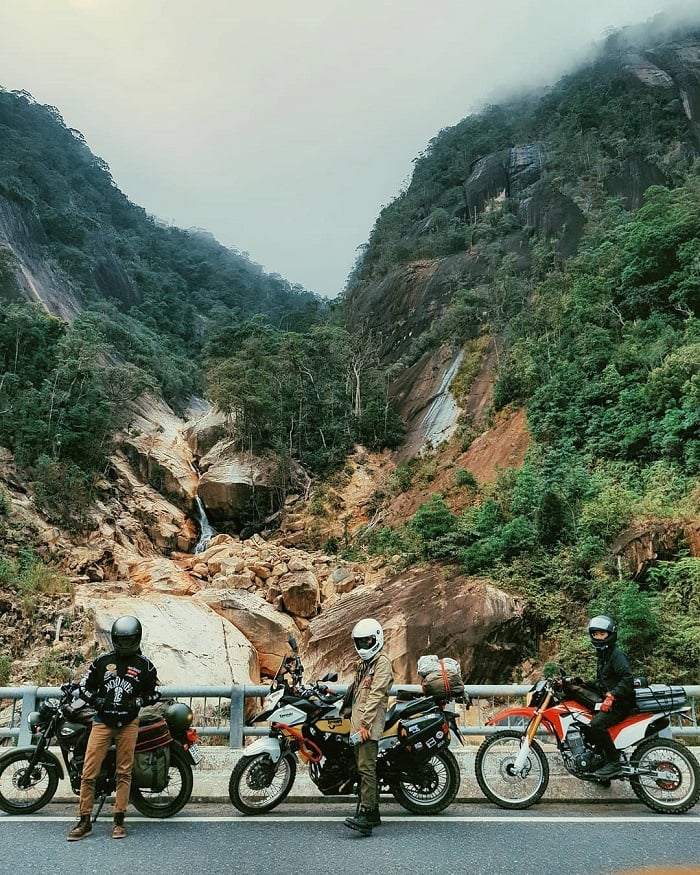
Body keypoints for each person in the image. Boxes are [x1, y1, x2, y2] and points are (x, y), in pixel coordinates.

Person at [67, 615, 160, 841]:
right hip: (102, 722)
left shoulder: (145, 666)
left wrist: (138, 702)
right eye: (122, 640)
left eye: (129, 640)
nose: (125, 644)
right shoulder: (101, 662)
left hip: (128, 723)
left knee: (124, 772)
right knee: (88, 772)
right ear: (115, 639)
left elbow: (154, 693)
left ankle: (119, 820)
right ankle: (84, 820)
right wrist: (98, 701)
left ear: (136, 639)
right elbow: (84, 687)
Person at [343, 617, 394, 837]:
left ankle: (366, 814)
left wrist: (365, 724)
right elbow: (356, 690)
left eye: (368, 641)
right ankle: (373, 812)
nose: (364, 646)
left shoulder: (382, 663)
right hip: (359, 723)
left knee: (366, 768)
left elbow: (376, 694)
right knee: (363, 767)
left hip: (368, 725)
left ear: (377, 639)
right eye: (360, 642)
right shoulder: (366, 664)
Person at [586, 614, 635, 779]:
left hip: (621, 703)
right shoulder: (603, 655)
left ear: (610, 634)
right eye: (595, 634)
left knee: (596, 725)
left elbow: (627, 678)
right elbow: (602, 682)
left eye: (602, 634)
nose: (598, 637)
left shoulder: (617, 655)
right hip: (611, 701)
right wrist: (580, 683)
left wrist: (612, 695)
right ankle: (601, 765)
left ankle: (614, 763)